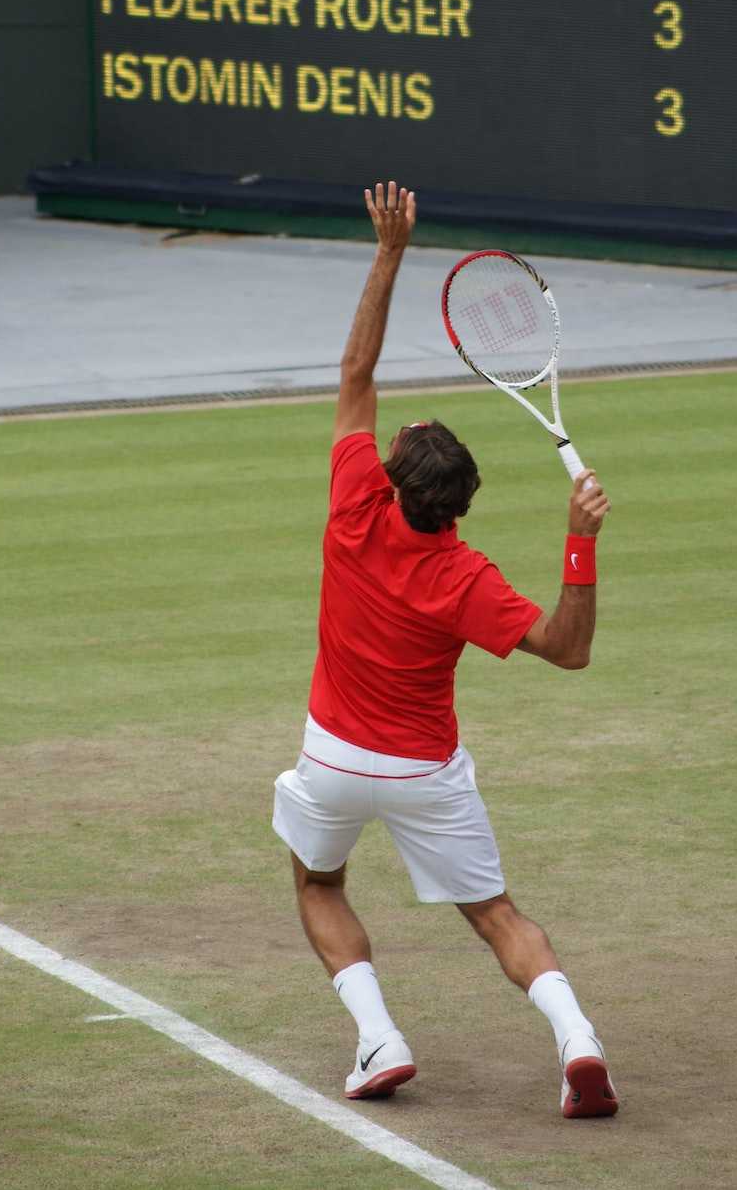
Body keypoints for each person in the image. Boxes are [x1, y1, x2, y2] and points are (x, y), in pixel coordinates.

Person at [272, 181, 618, 1119]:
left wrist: (388, 251)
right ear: (456, 506)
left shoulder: (354, 503)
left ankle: (378, 1036)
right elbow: (568, 647)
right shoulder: (467, 577)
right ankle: (578, 1039)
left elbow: (354, 374)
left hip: (336, 759)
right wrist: (579, 538)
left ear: (395, 479)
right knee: (497, 916)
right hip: (427, 771)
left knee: (316, 881)